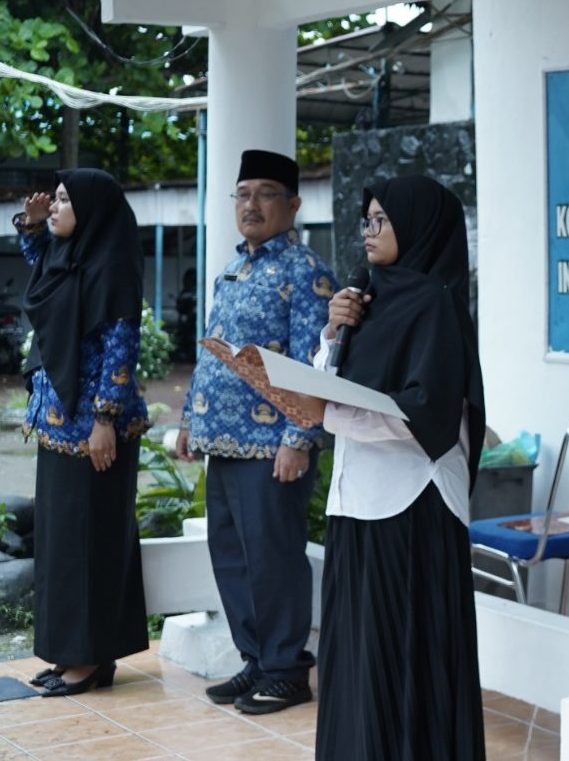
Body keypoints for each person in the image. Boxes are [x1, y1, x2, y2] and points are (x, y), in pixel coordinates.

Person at [299, 175, 487, 760]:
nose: (369, 233)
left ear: (418, 227)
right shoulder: (368, 297)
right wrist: (333, 330)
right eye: (367, 221)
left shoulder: (436, 304)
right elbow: (331, 383)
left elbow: (422, 419)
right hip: (361, 501)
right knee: (357, 657)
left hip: (413, 510)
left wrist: (326, 415)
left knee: (401, 660)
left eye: (382, 221)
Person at [175, 149, 337, 714]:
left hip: (273, 447)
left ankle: (287, 669)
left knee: (274, 556)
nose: (251, 205)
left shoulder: (306, 271)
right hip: (222, 438)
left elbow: (316, 363)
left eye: (265, 193)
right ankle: (256, 661)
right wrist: (191, 420)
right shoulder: (232, 266)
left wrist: (299, 439)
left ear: (292, 204)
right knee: (232, 555)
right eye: (242, 194)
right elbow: (214, 348)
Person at [14, 169, 150, 696]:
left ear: (92, 211)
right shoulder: (69, 260)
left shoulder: (112, 268)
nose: (55, 208)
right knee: (63, 546)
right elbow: (42, 268)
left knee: (92, 544)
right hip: (56, 428)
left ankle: (90, 658)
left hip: (96, 431)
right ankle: (72, 653)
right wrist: (31, 226)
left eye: (66, 200)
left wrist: (104, 421)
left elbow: (121, 349)